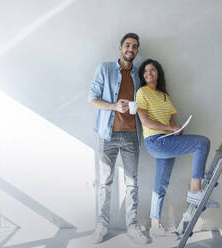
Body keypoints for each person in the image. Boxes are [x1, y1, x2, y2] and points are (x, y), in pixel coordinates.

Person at [136, 59, 211, 237]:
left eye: (152, 70)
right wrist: (170, 129)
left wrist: (177, 128)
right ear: (142, 75)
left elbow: (170, 120)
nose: (148, 73)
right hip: (155, 142)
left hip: (168, 140)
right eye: (145, 71)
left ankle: (155, 226)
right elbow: (145, 121)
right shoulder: (141, 92)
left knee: (160, 185)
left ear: (158, 73)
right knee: (202, 142)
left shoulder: (164, 95)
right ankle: (195, 190)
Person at [88, 33, 150, 245]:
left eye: (134, 46)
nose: (130, 49)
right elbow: (92, 99)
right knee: (105, 182)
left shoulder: (138, 75)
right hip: (108, 135)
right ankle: (101, 226)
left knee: (132, 184)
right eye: (127, 45)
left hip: (132, 135)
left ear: (137, 50)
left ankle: (132, 226)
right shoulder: (104, 68)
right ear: (120, 48)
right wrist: (114, 106)